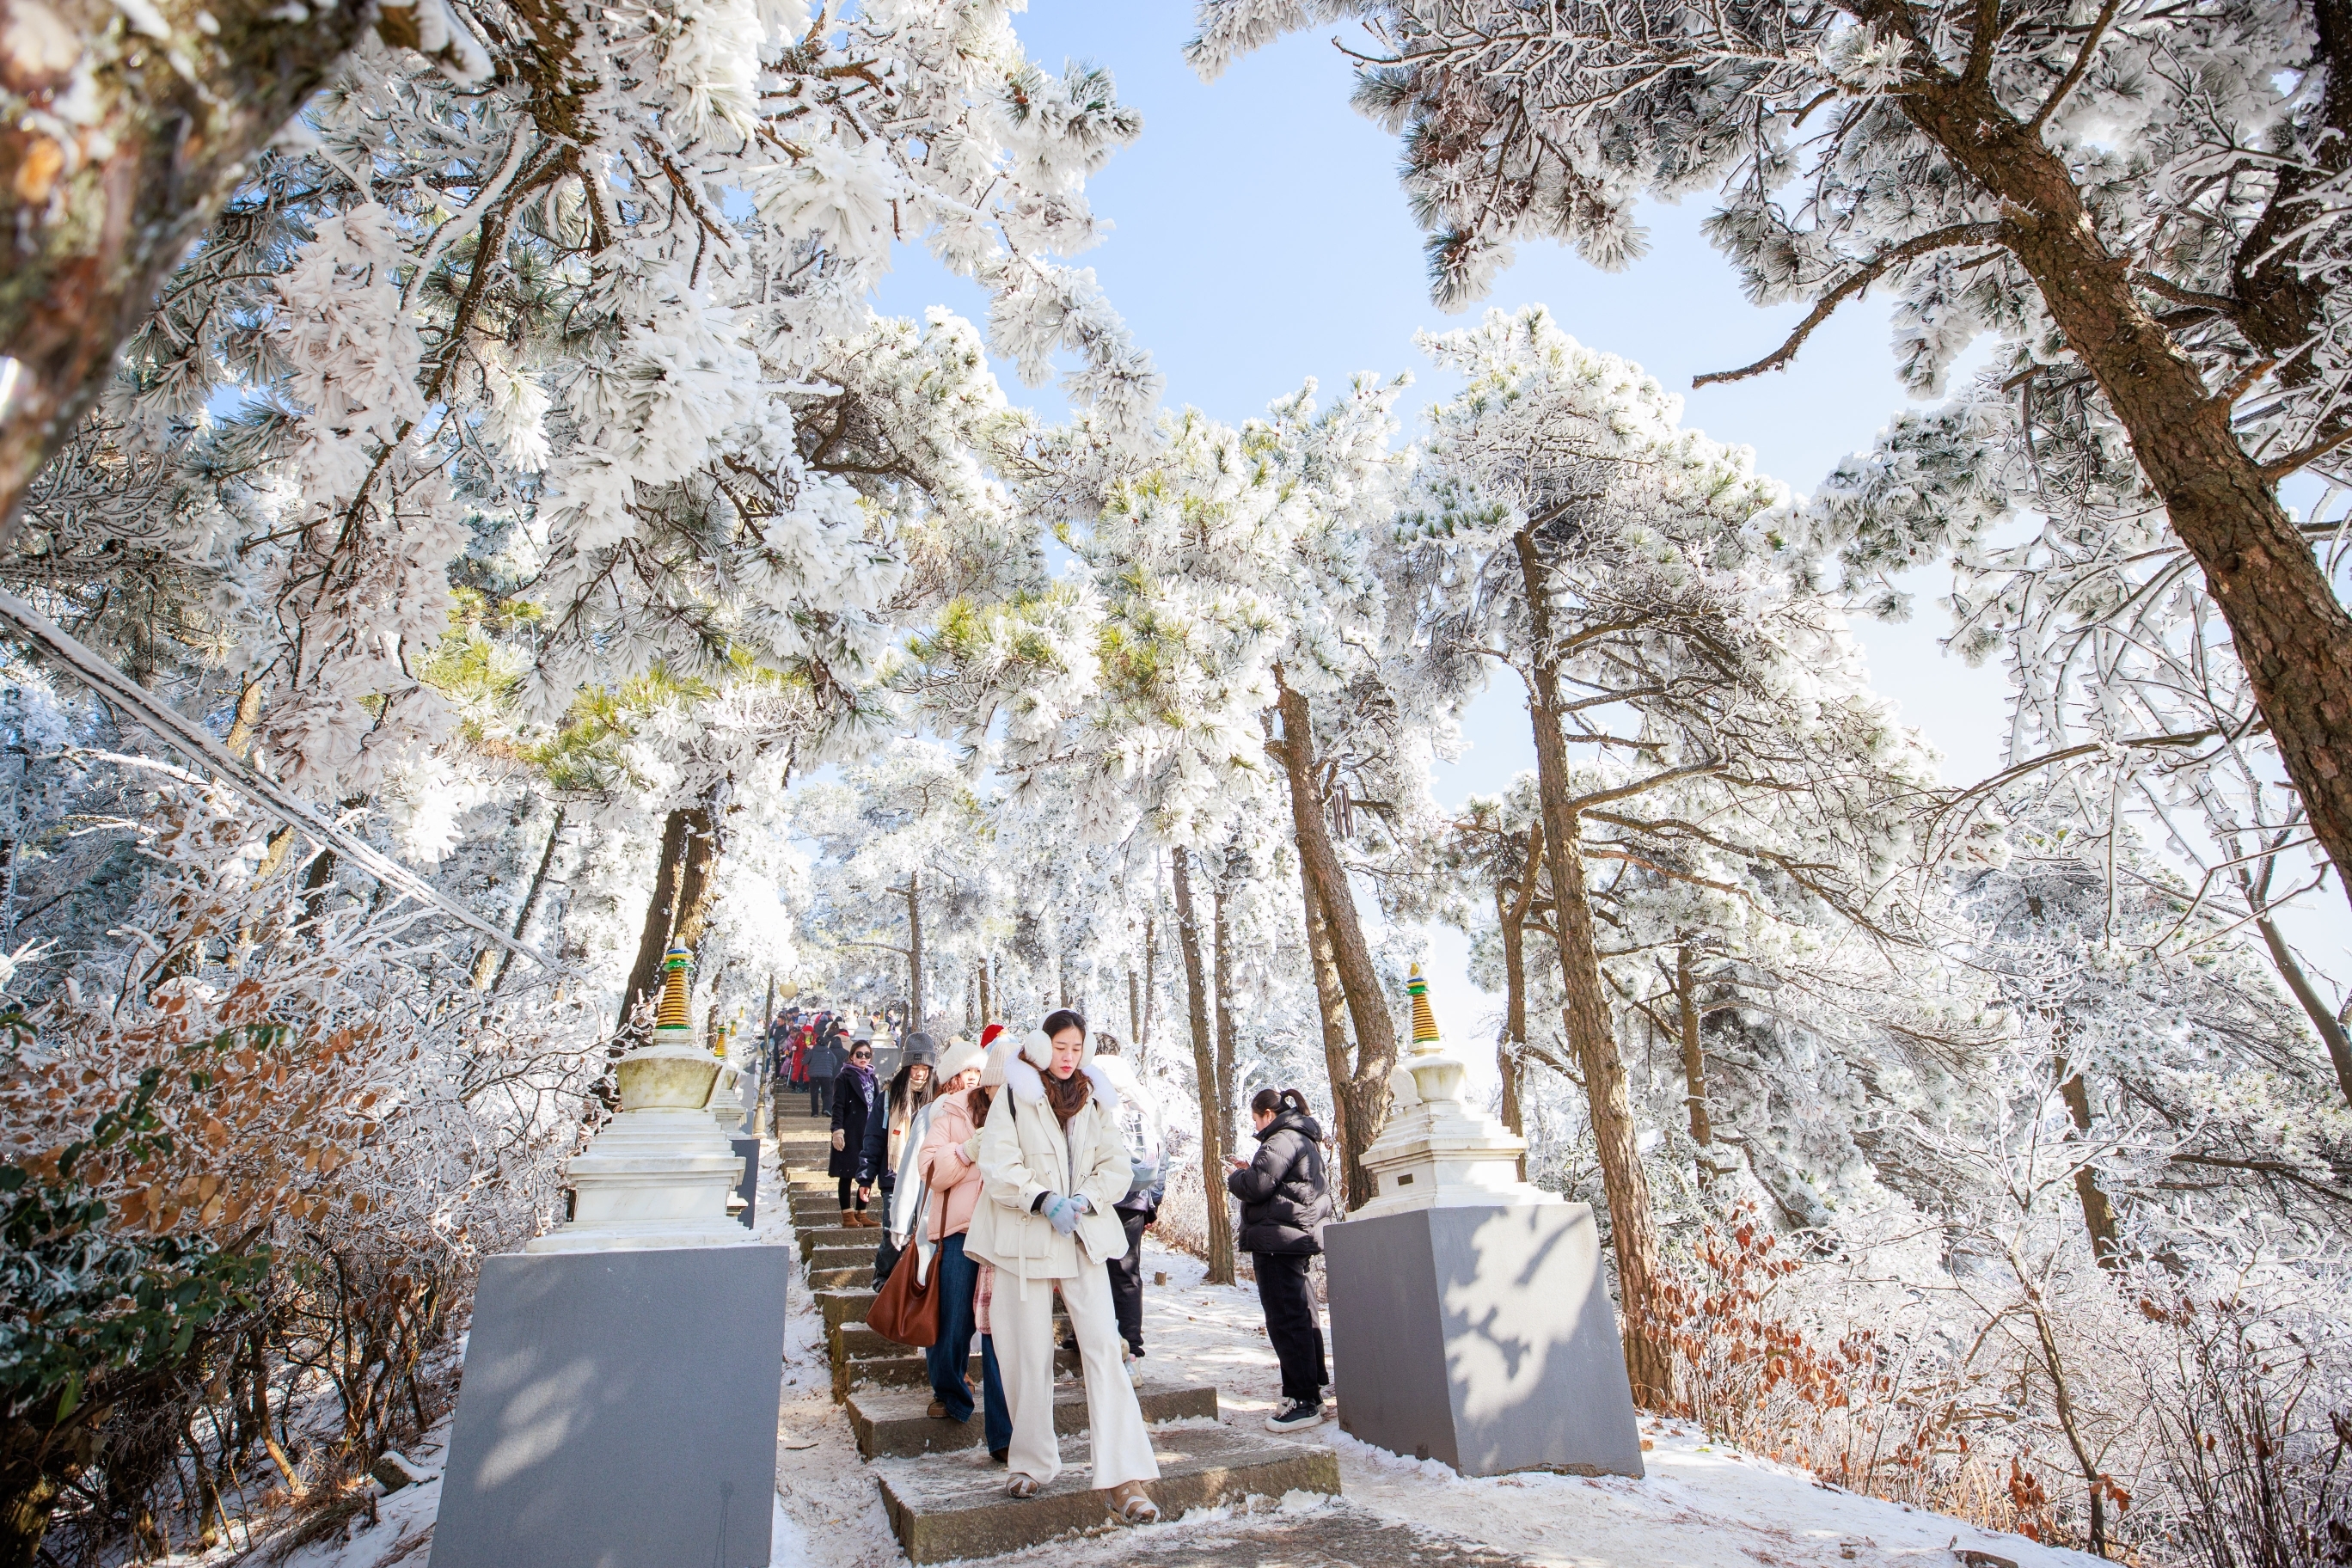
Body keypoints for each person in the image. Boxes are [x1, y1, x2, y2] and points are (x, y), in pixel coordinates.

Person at [966, 1011, 1161, 1522]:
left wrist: (1084, 1200)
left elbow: (1116, 1166)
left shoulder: (1094, 1101)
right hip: (1024, 1235)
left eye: (1077, 1046)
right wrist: (1043, 1198)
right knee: (1025, 1352)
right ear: (1042, 1045)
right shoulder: (1015, 1094)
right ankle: (1029, 1461)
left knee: (1103, 1350)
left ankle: (1125, 1478)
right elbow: (998, 1162)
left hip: (1081, 1235)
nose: (1068, 1055)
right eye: (1060, 1045)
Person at [910, 1034, 1014, 1453]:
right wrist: (969, 1149)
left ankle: (1004, 1434)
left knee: (998, 1332)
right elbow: (930, 1170)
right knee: (953, 1319)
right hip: (960, 1231)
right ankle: (950, 1392)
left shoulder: (1023, 1115)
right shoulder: (952, 1111)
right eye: (996, 1085)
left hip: (1005, 1235)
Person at [1227, 1087, 1335, 1431]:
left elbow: (1258, 1185)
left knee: (1285, 1318)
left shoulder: (1281, 1138)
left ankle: (1303, 1401)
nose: (1256, 1126)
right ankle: (1308, 1391)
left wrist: (1236, 1177)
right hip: (1295, 1238)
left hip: (1278, 1239)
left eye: (1256, 1119)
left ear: (1268, 1115)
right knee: (1301, 1315)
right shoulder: (1301, 1136)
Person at [1087, 1032, 1164, 1366]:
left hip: (1098, 1193)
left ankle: (1090, 1335)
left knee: (1091, 1266)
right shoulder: (1141, 1093)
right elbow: (1162, 1151)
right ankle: (1131, 1345)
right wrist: (1153, 1200)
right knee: (1127, 1270)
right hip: (1135, 1195)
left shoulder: (1088, 1087)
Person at [866, 1034, 937, 1283]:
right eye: (914, 1068)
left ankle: (910, 1281)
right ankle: (883, 1275)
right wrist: (866, 1177)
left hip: (927, 1175)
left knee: (922, 1231)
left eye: (925, 1068)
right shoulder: (889, 1097)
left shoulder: (938, 1099)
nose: (919, 1074)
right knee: (894, 1230)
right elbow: (874, 1137)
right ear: (906, 1067)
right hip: (893, 1175)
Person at [829, 1036, 883, 1227]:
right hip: (850, 1130)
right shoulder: (843, 1077)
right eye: (859, 1054)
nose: (863, 1058)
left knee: (865, 1173)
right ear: (851, 1056)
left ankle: (862, 1213)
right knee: (846, 1174)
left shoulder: (872, 1078)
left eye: (867, 1055)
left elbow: (878, 1105)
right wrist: (837, 1130)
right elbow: (838, 1106)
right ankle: (847, 1215)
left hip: (868, 1132)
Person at [806, 1022, 842, 1117]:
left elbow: (804, 1061)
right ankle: (827, 1109)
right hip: (826, 1075)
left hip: (814, 1075)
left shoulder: (813, 1051)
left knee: (814, 1094)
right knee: (827, 1093)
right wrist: (829, 1069)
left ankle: (815, 1112)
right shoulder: (829, 1051)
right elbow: (834, 1062)